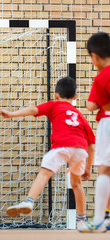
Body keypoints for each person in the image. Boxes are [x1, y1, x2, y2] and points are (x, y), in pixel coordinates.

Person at [0, 77, 95, 231]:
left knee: (44, 174)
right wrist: (88, 168)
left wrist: (11, 114)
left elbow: (33, 110)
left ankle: (29, 201)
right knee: (76, 184)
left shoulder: (53, 105)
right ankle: (81, 221)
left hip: (62, 146)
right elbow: (92, 146)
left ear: (55, 95)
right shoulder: (79, 115)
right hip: (80, 149)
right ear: (75, 98)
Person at [78, 32, 110, 233]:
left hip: (108, 121)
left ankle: (99, 218)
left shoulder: (102, 77)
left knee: (105, 170)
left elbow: (90, 105)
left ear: (95, 56)